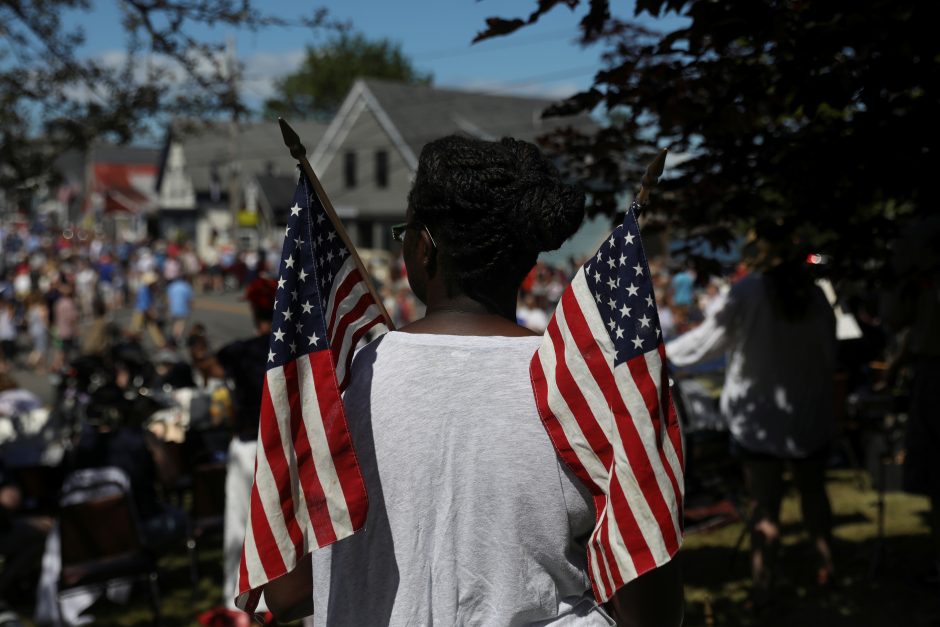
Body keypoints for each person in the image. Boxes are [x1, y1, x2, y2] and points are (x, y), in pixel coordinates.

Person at [264, 135, 684, 626]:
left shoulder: (337, 384)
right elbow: (651, 605)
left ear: (424, 248)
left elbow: (287, 591)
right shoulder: (581, 384)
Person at [667, 236, 837, 607]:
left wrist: (661, 353)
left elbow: (706, 342)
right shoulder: (815, 296)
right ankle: (827, 569)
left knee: (764, 505)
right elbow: (829, 354)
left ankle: (764, 584)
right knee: (813, 494)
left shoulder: (750, 291)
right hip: (806, 412)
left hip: (758, 417)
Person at [216, 276, 276, 613]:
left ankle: (240, 598)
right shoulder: (292, 350)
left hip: (249, 446)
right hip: (280, 447)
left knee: (240, 523)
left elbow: (212, 362)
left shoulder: (238, 353)